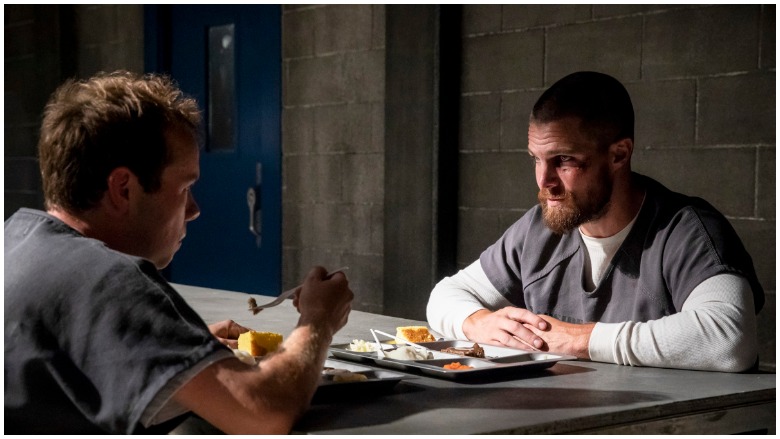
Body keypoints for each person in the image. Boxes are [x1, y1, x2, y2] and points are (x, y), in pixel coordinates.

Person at [4, 70, 354, 434]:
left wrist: (178, 351)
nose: (194, 210)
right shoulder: (108, 279)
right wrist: (317, 321)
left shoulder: (15, 240)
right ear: (123, 189)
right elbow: (262, 413)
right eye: (184, 188)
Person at [427, 71, 764, 373]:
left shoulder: (686, 231)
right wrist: (477, 323)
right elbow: (446, 294)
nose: (544, 181)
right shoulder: (538, 229)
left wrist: (579, 340)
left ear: (619, 154)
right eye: (536, 159)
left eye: (564, 160)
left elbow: (730, 339)